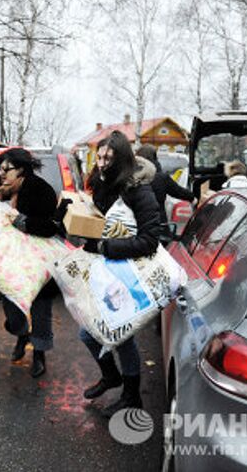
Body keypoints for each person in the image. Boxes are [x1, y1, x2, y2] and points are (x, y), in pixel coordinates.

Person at [81, 131, 160, 417]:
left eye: (108, 159)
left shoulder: (139, 189)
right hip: (108, 270)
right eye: (99, 157)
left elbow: (150, 239)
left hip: (130, 272)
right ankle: (116, 380)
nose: (102, 163)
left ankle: (131, 395)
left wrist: (105, 246)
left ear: (122, 160)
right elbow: (104, 224)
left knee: (115, 335)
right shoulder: (104, 185)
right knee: (93, 332)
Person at [0, 147, 60, 378]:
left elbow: (51, 227)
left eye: (6, 169)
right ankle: (21, 334)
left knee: (40, 309)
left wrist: (20, 222)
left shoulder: (42, 190)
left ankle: (39, 354)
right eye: (0, 169)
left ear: (22, 170)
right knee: (11, 306)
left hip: (38, 259)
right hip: (11, 259)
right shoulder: (3, 189)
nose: (2, 174)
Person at [135, 145, 195, 241]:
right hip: (160, 227)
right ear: (155, 158)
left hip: (138, 227)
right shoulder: (162, 178)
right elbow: (179, 192)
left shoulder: (133, 178)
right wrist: (194, 198)